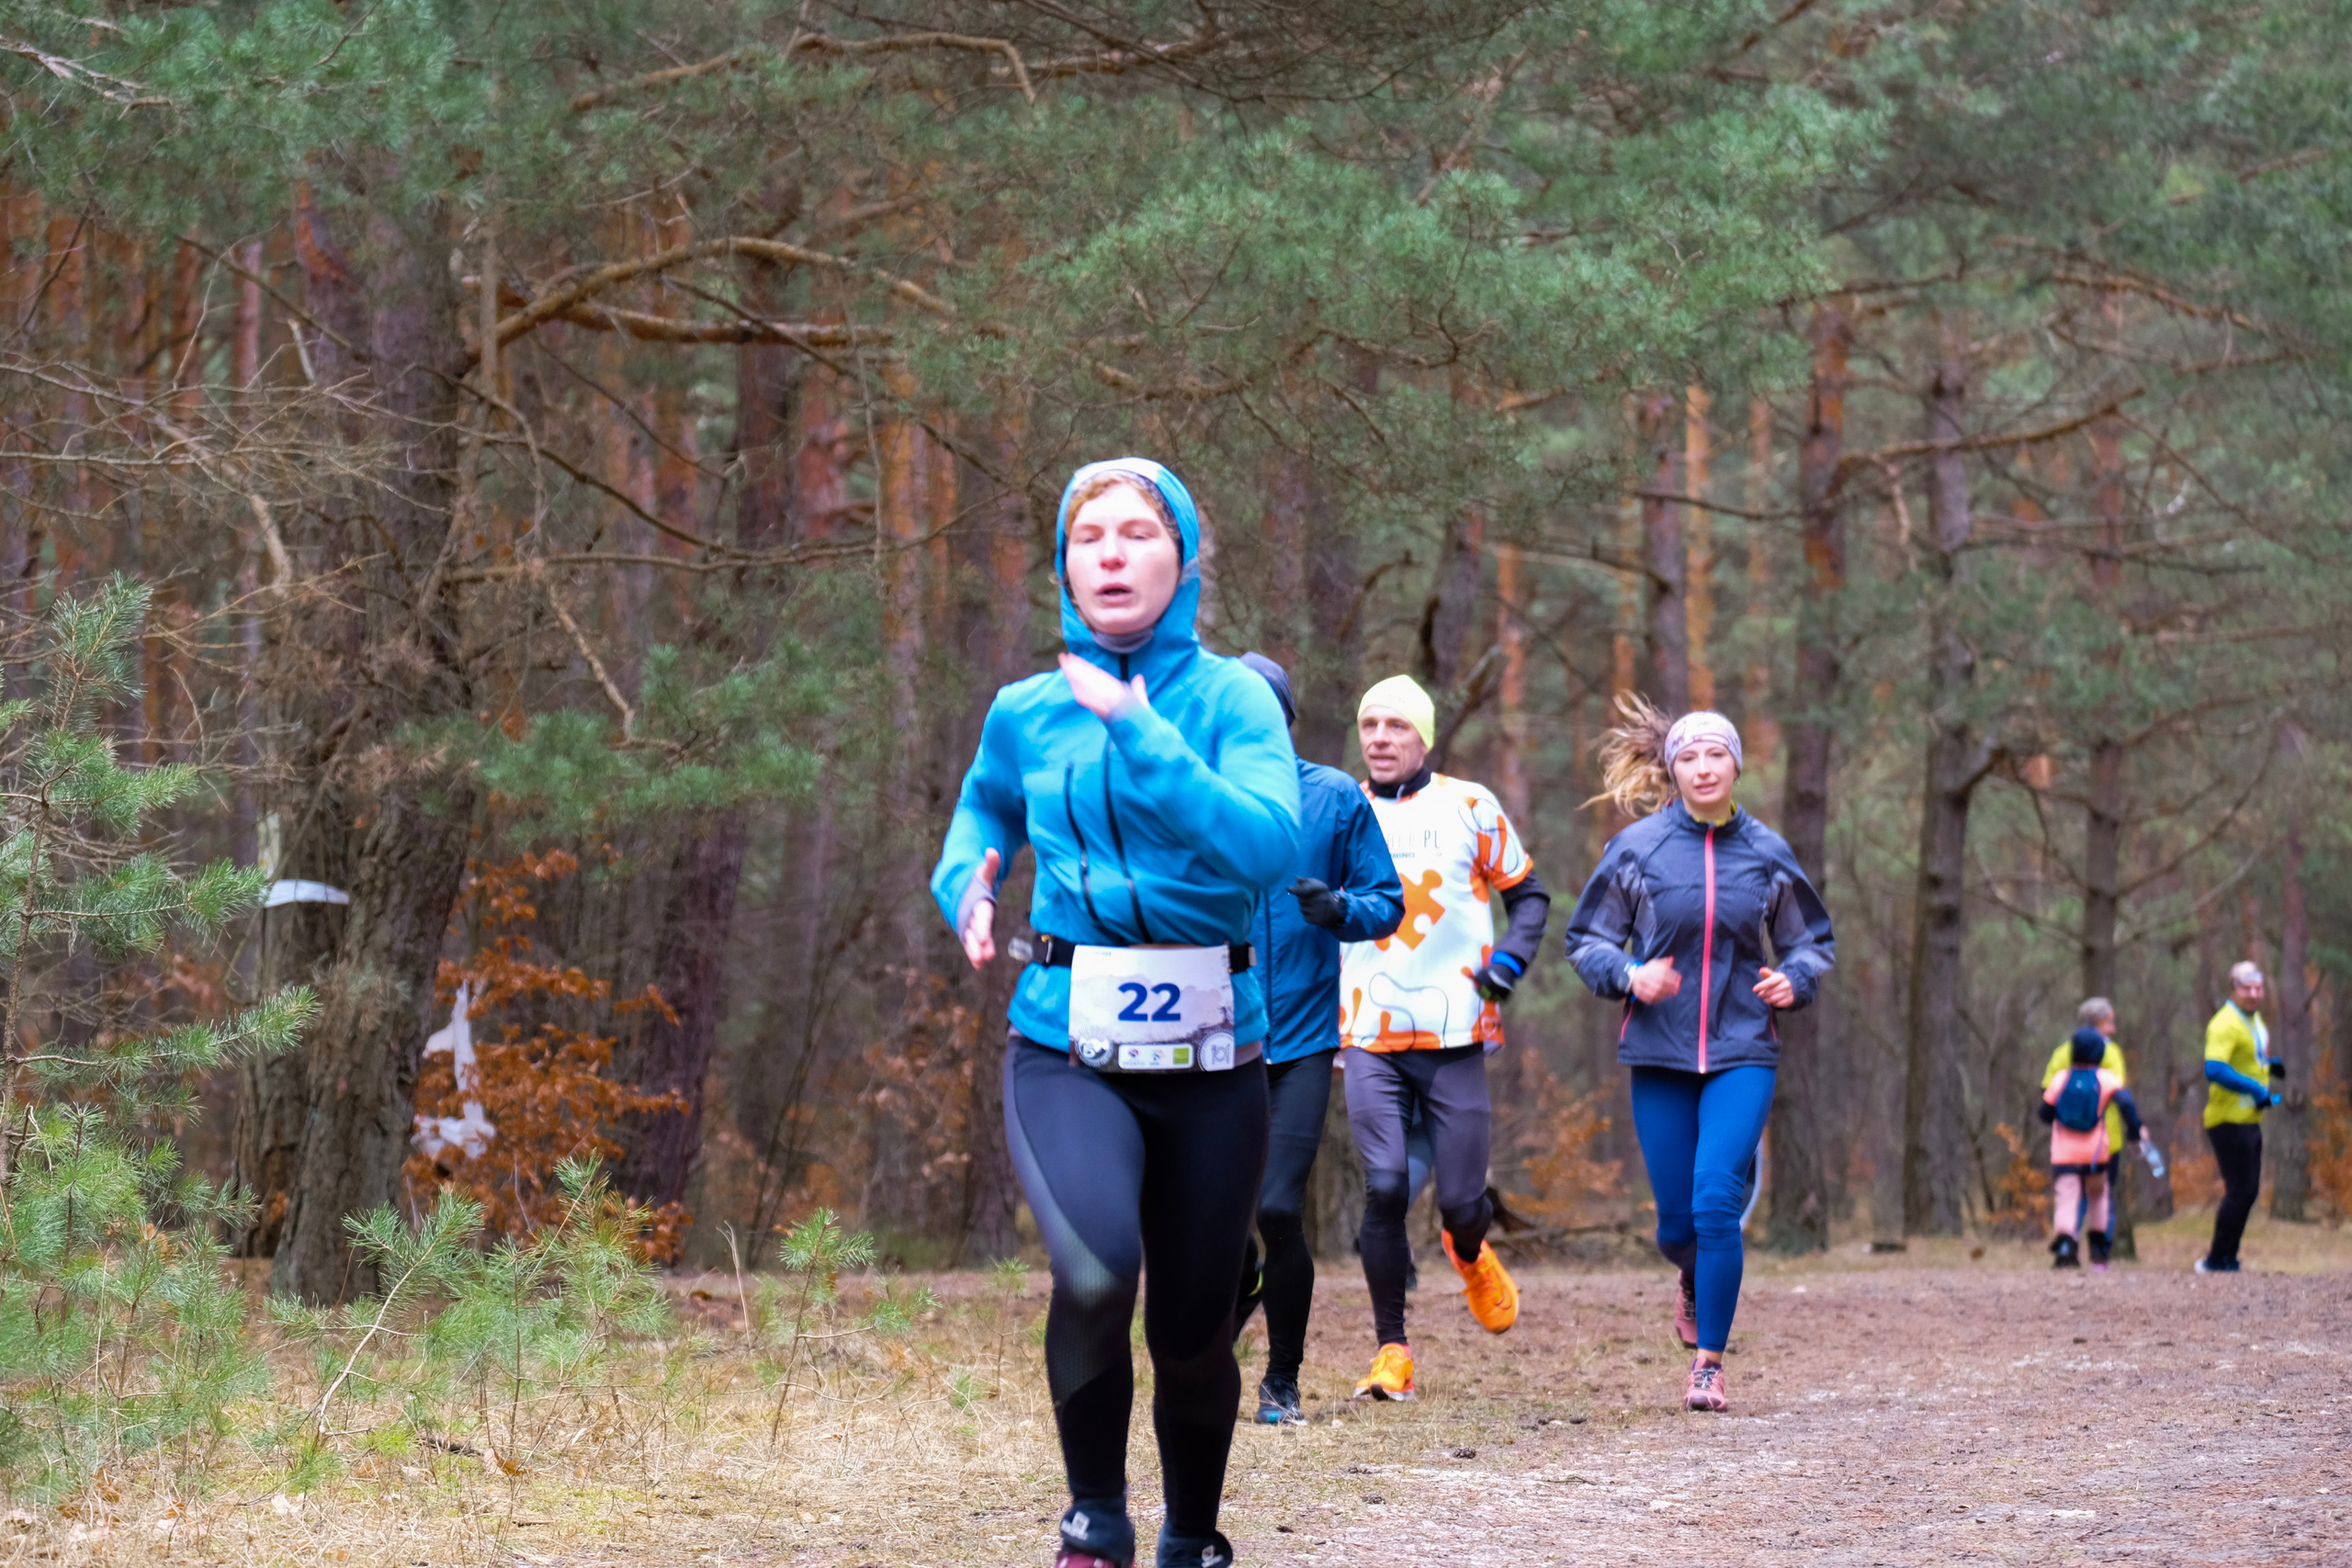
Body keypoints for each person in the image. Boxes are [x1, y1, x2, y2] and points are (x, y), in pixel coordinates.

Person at [931, 458, 1301, 1568]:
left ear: (1182, 562)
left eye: (1138, 533)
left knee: (1191, 1330)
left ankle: (1193, 1535)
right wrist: (969, 886)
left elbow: (1270, 848)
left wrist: (1138, 731)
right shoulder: (1024, 711)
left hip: (1215, 1053)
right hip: (1066, 1040)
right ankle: (1094, 1518)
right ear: (1063, 568)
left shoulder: (1231, 698)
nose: (1110, 552)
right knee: (1094, 1273)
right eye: (1088, 536)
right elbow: (979, 816)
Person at [1564, 696, 1835, 1413]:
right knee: (1677, 1224)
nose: (1704, 766)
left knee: (1717, 1201)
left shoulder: (1767, 851)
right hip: (1660, 1049)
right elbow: (1586, 938)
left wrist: (1796, 977)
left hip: (1745, 1046)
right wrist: (1629, 974)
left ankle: (1709, 1364)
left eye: (1717, 753)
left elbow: (1812, 939)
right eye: (1689, 755)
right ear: (1672, 769)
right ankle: (1689, 1274)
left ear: (1736, 764)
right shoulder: (1638, 848)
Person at [1338, 673, 1550, 1402]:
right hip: (1367, 1031)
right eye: (1370, 725)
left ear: (1424, 736)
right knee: (1387, 1186)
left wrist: (1510, 959)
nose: (1380, 738)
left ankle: (1468, 1250)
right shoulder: (1343, 811)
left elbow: (1529, 898)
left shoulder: (1469, 805)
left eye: (1397, 725)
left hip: (1456, 1030)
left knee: (1461, 1202)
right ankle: (1392, 1349)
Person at [1228, 651, 1404, 1427]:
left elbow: (1386, 901)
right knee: (1212, 1218)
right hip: (1211, 1039)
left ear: (1288, 718)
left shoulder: (1333, 798)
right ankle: (1233, 1301)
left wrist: (1337, 908)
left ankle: (1282, 1379)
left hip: (1298, 1040)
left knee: (1274, 1206)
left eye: (1264, 710)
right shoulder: (1198, 795)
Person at [2040, 1026, 2153, 1269]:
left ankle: (2066, 1246)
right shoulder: (2106, 1078)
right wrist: (2135, 1131)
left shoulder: (2061, 1078)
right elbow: (2126, 1104)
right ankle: (2099, 1253)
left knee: (2067, 1199)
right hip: (2095, 1154)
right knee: (2098, 1197)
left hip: (2064, 1154)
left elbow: (2045, 1113)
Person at [2198, 961, 2279, 1275]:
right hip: (2226, 1118)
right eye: (2247, 988)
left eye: (2258, 988)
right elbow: (2214, 1069)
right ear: (2233, 988)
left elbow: (2251, 1057)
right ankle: (2216, 1259)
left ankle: (2229, 1257)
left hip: (2249, 1117)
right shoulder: (2224, 1023)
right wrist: (2253, 1087)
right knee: (2240, 1190)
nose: (2254, 994)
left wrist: (2272, 1065)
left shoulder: (2254, 1020)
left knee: (2249, 1190)